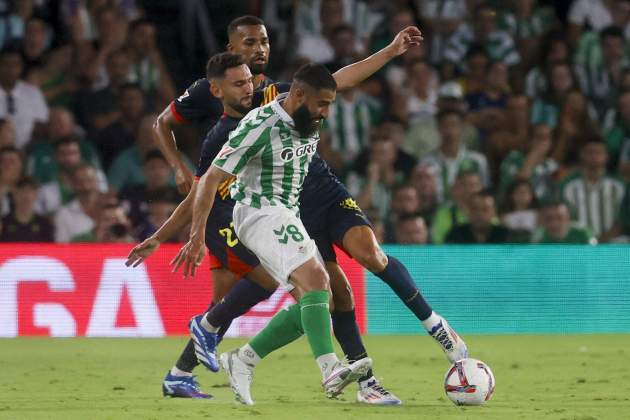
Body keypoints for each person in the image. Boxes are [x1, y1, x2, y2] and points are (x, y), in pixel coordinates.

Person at [171, 57, 465, 406]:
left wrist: (391, 50)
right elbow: (210, 180)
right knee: (318, 280)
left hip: (289, 213)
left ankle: (244, 358)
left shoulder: (307, 108)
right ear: (297, 94)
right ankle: (330, 369)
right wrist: (196, 236)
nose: (326, 113)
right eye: (322, 104)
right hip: (258, 213)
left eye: (330, 104)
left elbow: (343, 78)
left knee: (317, 301)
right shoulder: (260, 123)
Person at [561, 139, 625, 239]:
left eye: (598, 152)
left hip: (612, 243)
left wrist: (604, 240)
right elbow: (567, 220)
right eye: (589, 152)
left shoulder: (618, 186)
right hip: (580, 243)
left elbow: (622, 218)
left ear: (606, 156)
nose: (594, 156)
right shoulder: (570, 187)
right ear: (581, 155)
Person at [0, 47, 49, 149]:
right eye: (5, 64)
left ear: (21, 67)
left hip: (27, 151)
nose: (10, 69)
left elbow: (42, 125)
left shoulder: (32, 92)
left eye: (15, 65)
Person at [445, 190, 512, 244]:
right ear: (468, 211)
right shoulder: (455, 235)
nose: (479, 214)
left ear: (494, 212)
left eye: (485, 210)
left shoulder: (504, 235)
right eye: (475, 209)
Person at [0, 176, 54, 242]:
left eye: (30, 191)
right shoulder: (3, 223)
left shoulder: (45, 225)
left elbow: (51, 250)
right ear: (14, 193)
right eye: (22, 190)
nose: (26, 195)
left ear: (36, 194)